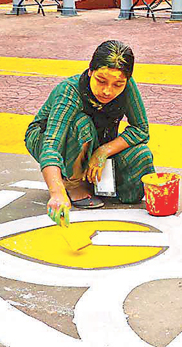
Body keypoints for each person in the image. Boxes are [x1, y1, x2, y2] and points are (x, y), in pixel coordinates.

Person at [27, 40, 155, 217]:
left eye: (118, 85)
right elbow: (51, 145)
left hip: (98, 141)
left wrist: (103, 151)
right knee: (82, 124)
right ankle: (73, 183)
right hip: (50, 136)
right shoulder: (70, 91)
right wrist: (56, 193)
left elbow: (140, 129)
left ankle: (95, 181)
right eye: (101, 81)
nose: (108, 91)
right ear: (90, 71)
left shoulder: (127, 86)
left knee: (141, 156)